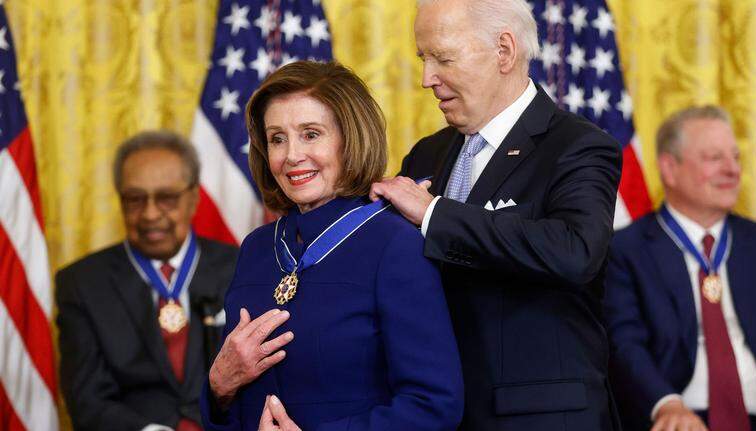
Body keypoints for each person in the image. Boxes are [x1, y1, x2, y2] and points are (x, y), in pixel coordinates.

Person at [368, 0, 623, 429]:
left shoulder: (577, 146)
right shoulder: (426, 155)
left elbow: (576, 251)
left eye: (443, 58)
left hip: (538, 418)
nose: (427, 78)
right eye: (423, 58)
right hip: (440, 414)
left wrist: (434, 214)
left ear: (504, 50)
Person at [200, 61, 463, 431]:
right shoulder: (257, 248)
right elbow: (234, 404)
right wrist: (219, 389)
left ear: (350, 139)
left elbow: (433, 406)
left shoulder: (394, 243)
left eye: (311, 134)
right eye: (277, 138)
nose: (291, 155)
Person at [56, 131, 238, 431]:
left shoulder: (239, 267)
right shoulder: (81, 283)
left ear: (193, 199)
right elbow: (87, 401)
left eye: (166, 198)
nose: (150, 214)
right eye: (135, 199)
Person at [605, 106, 756, 431]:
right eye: (714, 158)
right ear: (670, 168)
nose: (732, 169)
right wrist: (667, 404)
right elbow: (623, 344)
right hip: (679, 416)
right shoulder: (626, 250)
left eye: (735, 157)